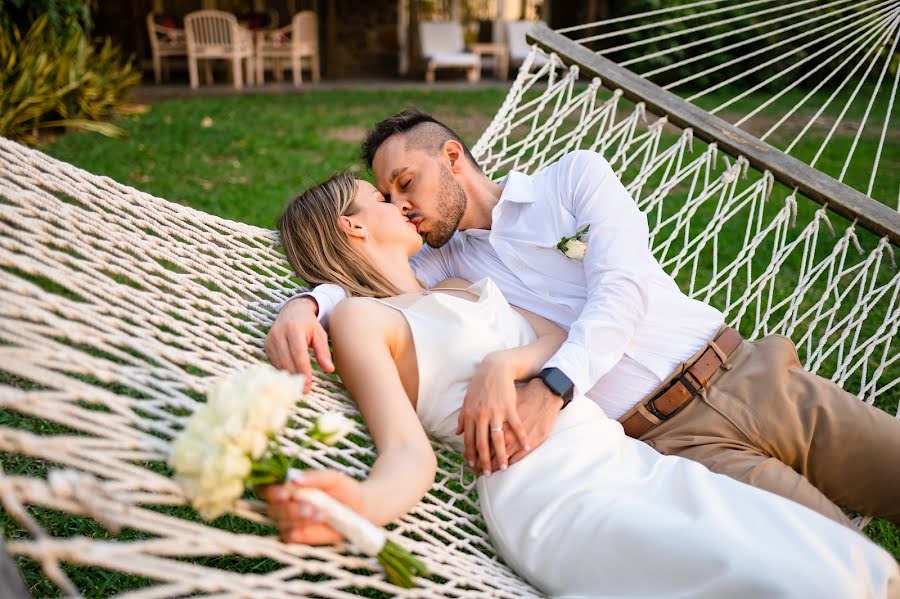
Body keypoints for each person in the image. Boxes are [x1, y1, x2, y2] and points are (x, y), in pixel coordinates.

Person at [259, 172, 899, 597]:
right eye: (381, 197)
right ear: (352, 226)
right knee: (781, 579)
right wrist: (361, 507)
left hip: (631, 458)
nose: (399, 205)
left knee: (843, 568)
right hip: (553, 489)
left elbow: (553, 336)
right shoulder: (365, 323)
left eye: (402, 185)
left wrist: (502, 365)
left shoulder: (458, 281)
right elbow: (407, 452)